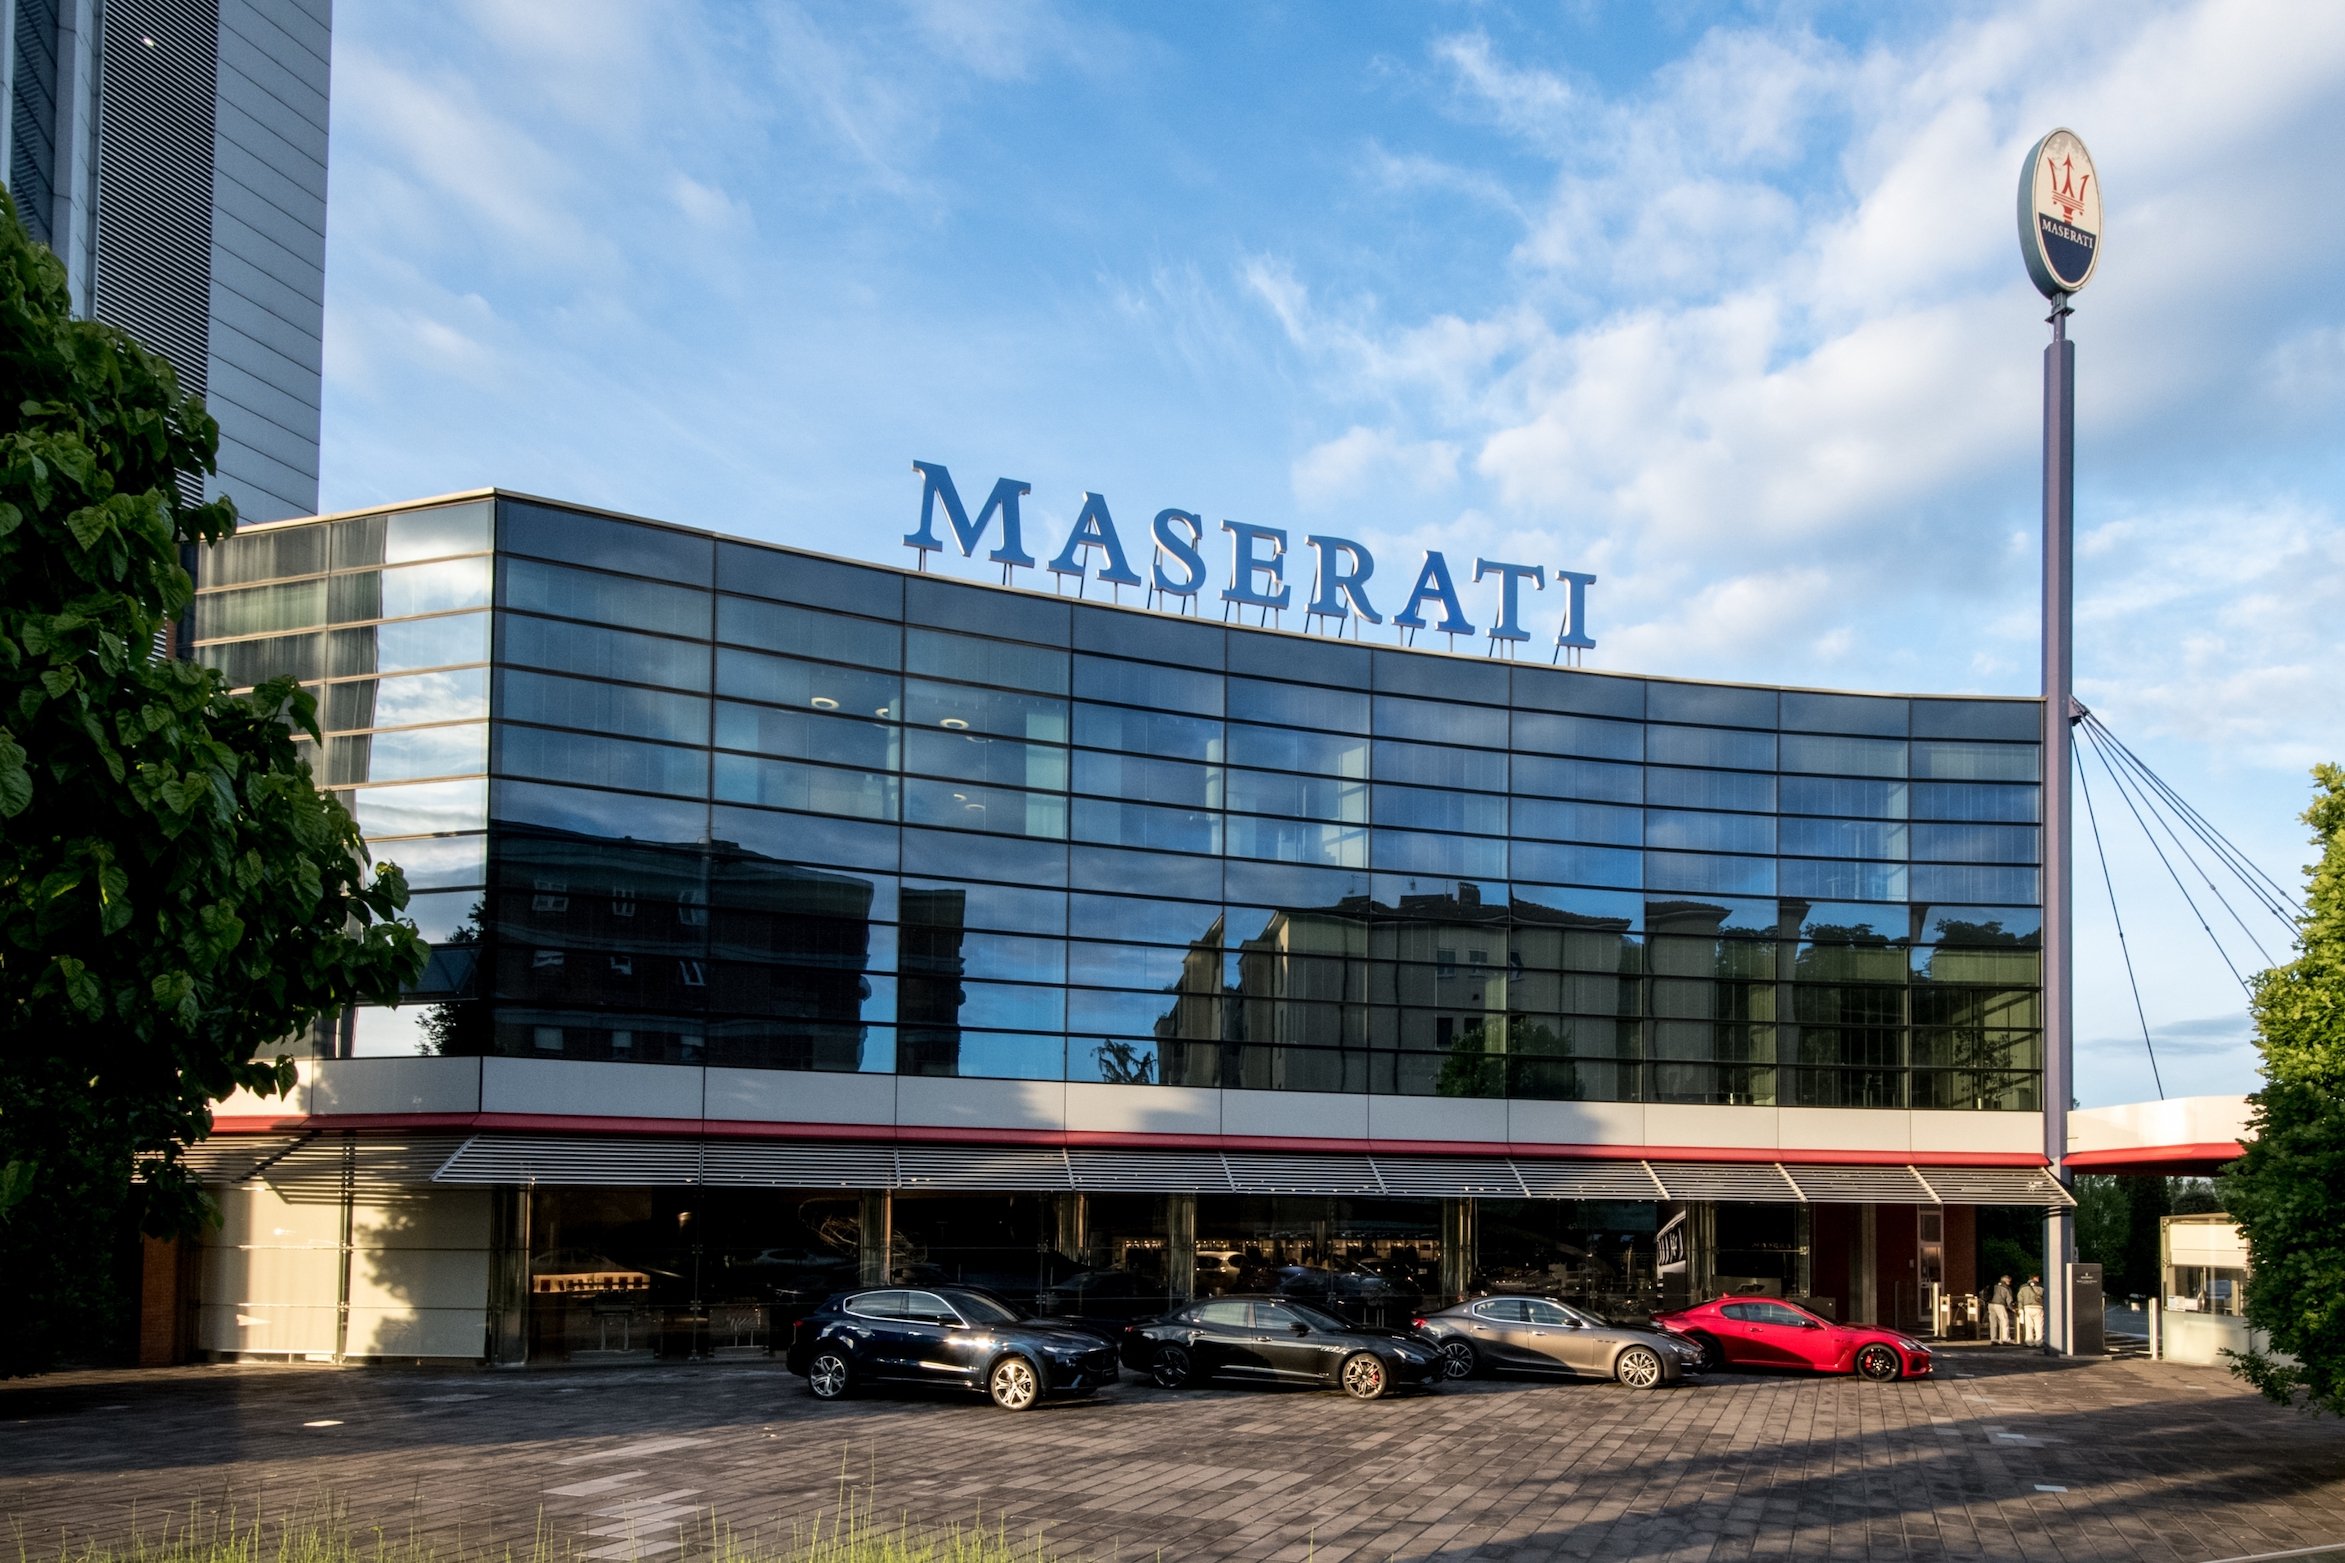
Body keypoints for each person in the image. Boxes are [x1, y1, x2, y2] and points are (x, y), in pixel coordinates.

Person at [2019, 1274, 2046, 1346]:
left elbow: (2020, 1299)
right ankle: (2039, 1341)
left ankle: (2029, 1341)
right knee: (2039, 1325)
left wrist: (2020, 1308)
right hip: (2038, 1307)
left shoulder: (2023, 1287)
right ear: (2035, 1278)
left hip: (2027, 1307)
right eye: (2038, 1278)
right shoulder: (2041, 1287)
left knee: (2028, 1325)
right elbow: (2045, 1297)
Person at [1987, 1274, 2015, 1343]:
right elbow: (2009, 1300)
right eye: (2009, 1281)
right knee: (2004, 1321)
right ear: (2006, 1280)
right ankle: (2005, 1339)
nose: (2010, 1283)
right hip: (1999, 1305)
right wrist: (2012, 1308)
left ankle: (1993, 1339)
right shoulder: (2006, 1288)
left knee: (1993, 1323)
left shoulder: (1994, 1285)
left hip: (1990, 1304)